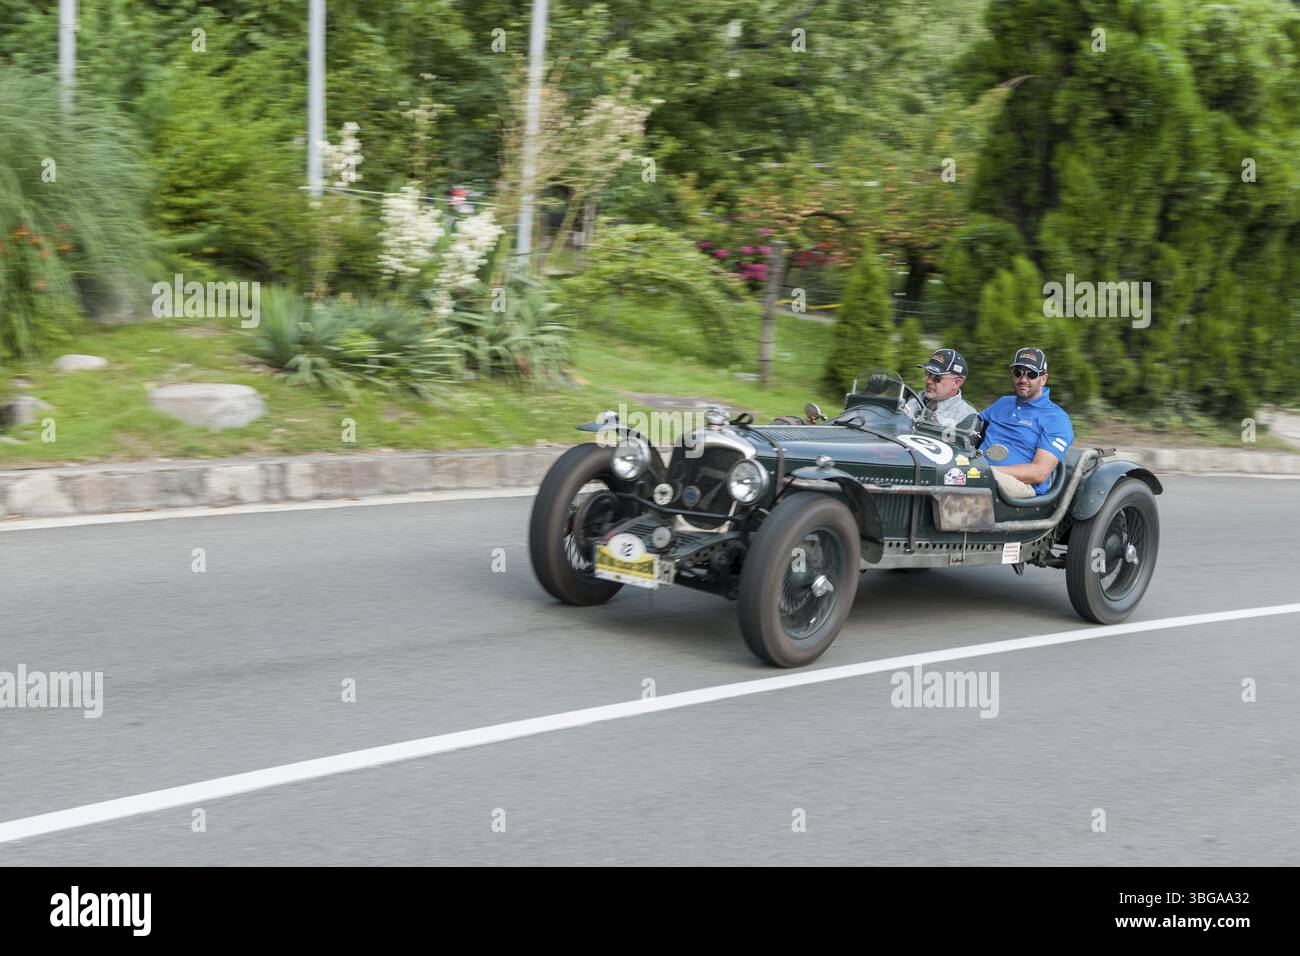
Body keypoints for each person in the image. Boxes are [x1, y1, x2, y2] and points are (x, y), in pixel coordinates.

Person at [980, 347, 1074, 499]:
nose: (1023, 380)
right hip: (978, 471)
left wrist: (986, 471)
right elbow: (971, 426)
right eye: (1018, 372)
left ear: (1043, 379)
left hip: (1021, 485)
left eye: (1031, 374)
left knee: (968, 481)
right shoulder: (1003, 403)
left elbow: (1039, 473)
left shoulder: (1056, 419)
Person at [904, 348, 978, 428]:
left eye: (937, 378)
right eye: (928, 374)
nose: (928, 381)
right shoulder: (913, 402)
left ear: (956, 383)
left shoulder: (968, 418)